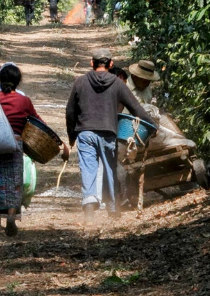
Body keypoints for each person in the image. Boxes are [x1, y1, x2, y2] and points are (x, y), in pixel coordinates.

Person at [0, 63, 63, 236]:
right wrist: (59, 142)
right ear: (18, 81)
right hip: (13, 144)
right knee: (13, 183)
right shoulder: (23, 101)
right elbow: (39, 122)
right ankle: (11, 217)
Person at [66, 48, 154, 219]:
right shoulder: (118, 84)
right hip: (108, 133)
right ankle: (113, 209)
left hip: (85, 132)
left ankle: (89, 208)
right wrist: (152, 125)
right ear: (111, 64)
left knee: (88, 170)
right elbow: (137, 109)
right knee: (110, 169)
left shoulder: (80, 82)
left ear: (92, 63)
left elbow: (70, 111)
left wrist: (72, 136)